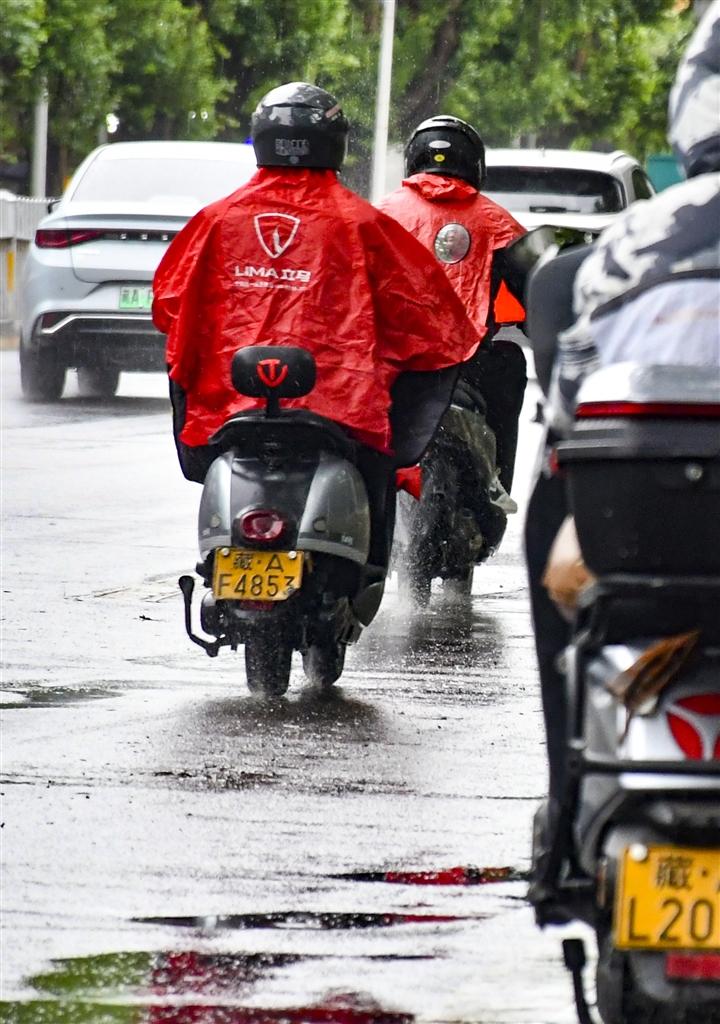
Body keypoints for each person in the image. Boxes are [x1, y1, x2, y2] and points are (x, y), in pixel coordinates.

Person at [152, 83, 480, 571]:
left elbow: (169, 306)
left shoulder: (216, 221)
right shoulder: (362, 225)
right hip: (340, 409)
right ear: (335, 143)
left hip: (231, 407)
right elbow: (430, 319)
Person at [526, 0, 720, 814]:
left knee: (552, 496)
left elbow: (569, 404)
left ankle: (567, 796)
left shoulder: (634, 240)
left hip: (638, 550)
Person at [377, 116, 528, 492]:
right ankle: (496, 486)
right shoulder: (495, 220)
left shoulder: (380, 213)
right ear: (475, 165)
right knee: (511, 363)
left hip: (392, 362)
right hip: (470, 365)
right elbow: (532, 286)